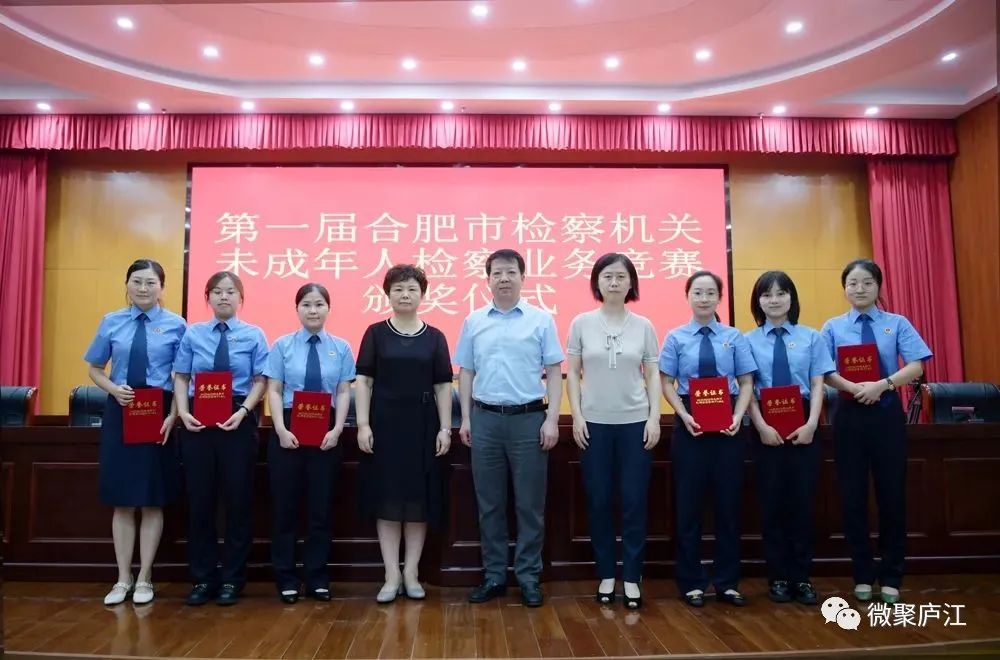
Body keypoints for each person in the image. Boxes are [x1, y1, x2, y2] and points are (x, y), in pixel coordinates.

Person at [455, 248, 564, 608]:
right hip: (485, 419)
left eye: (510, 272)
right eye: (497, 273)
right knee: (490, 504)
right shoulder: (474, 321)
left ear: (522, 277)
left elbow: (554, 372)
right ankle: (494, 576)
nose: (504, 278)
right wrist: (466, 417)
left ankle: (529, 577)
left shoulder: (540, 320)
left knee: (530, 505)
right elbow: (466, 372)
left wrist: (552, 418)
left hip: (529, 420)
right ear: (488, 279)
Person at [822, 259, 932, 605]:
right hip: (848, 415)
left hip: (886, 414)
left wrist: (882, 385)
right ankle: (862, 574)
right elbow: (824, 370)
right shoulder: (833, 327)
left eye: (867, 282)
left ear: (878, 286)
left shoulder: (896, 323)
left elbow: (916, 365)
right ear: (844, 288)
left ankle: (892, 575)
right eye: (853, 283)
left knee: (891, 495)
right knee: (852, 496)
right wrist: (853, 388)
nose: (859, 289)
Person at [83, 258, 186, 606]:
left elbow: (182, 377)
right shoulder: (111, 321)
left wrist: (173, 415)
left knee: (153, 498)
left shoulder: (177, 325)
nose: (143, 288)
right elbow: (95, 368)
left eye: (151, 282)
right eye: (137, 281)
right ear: (127, 284)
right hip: (122, 410)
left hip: (159, 413)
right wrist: (114, 389)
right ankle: (122, 577)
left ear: (162, 288)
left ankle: (145, 578)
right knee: (123, 499)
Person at [566, 253, 661, 610]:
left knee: (634, 501)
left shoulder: (644, 326)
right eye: (607, 276)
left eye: (621, 276)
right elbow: (572, 374)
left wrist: (654, 417)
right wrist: (577, 416)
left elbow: (653, 374)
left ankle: (632, 577)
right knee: (599, 501)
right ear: (597, 282)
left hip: (635, 424)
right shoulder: (581, 323)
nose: (614, 282)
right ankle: (607, 573)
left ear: (631, 282)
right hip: (594, 425)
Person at [354, 265, 454, 604]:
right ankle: (390, 574)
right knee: (387, 499)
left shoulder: (435, 336)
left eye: (412, 289)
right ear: (388, 294)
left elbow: (443, 386)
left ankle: (411, 572)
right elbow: (364, 381)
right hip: (384, 425)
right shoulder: (375, 333)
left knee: (418, 501)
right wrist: (363, 424)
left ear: (422, 294)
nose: (405, 295)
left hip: (423, 426)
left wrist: (445, 428)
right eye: (398, 289)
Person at [659, 270, 756, 608]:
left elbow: (746, 382)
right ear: (688, 297)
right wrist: (682, 414)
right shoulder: (675, 337)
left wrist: (738, 416)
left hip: (728, 424)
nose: (704, 298)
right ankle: (692, 582)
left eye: (710, 292)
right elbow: (667, 382)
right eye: (697, 292)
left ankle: (727, 582)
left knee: (728, 507)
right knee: (689, 507)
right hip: (690, 424)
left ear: (719, 298)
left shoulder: (734, 337)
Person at [173, 271, 268, 606]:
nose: (223, 297)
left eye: (230, 291)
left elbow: (261, 381)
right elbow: (181, 377)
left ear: (240, 298)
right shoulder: (193, 334)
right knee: (200, 502)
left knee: (238, 502)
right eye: (216, 291)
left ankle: (232, 579)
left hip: (237, 419)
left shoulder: (254, 334)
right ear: (208, 298)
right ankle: (203, 578)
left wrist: (243, 411)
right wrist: (183, 412)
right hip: (198, 422)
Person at [744, 271, 835, 605]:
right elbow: (747, 387)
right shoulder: (747, 340)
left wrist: (812, 424)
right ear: (758, 302)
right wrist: (760, 426)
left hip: (804, 420)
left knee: (802, 503)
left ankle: (802, 577)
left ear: (792, 298)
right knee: (772, 504)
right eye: (766, 294)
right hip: (765, 424)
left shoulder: (811, 337)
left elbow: (817, 384)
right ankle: (779, 577)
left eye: (781, 293)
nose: (774, 300)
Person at [264, 283, 355, 604]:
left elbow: (343, 391)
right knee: (285, 509)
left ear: (328, 308)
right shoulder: (282, 345)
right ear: (297, 309)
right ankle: (286, 577)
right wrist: (279, 428)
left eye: (319, 304)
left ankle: (317, 578)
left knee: (320, 510)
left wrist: (338, 429)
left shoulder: (341, 347)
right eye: (306, 304)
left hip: (326, 433)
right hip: (288, 429)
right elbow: (274, 390)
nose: (313, 310)